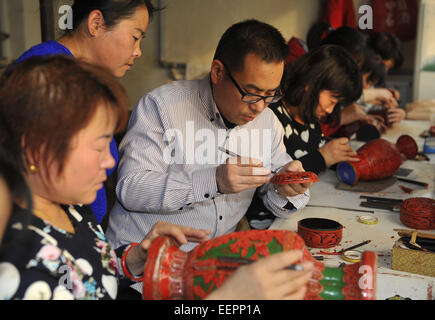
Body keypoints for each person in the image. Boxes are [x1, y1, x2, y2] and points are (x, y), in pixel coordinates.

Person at [0, 55, 314, 300]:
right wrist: (230, 300)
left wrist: (135, 258)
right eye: (98, 146)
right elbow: (130, 187)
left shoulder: (71, 210)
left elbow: (97, 275)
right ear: (37, 150)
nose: (110, 161)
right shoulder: (22, 269)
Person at [106, 20, 312, 268]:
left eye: (271, 95)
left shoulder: (267, 122)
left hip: (214, 268)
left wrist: (285, 188)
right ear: (218, 72)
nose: (259, 107)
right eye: (251, 92)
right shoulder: (161, 107)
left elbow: (279, 204)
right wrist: (213, 181)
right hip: (146, 269)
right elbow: (131, 189)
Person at [13, 0, 157, 223]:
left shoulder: (85, 76)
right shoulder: (48, 75)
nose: (137, 52)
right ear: (96, 23)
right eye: (135, 37)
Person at [246, 45, 362, 229]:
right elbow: (270, 180)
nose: (331, 110)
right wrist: (322, 158)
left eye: (337, 104)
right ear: (312, 83)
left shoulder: (312, 119)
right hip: (265, 224)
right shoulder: (270, 117)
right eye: (332, 101)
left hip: (293, 216)